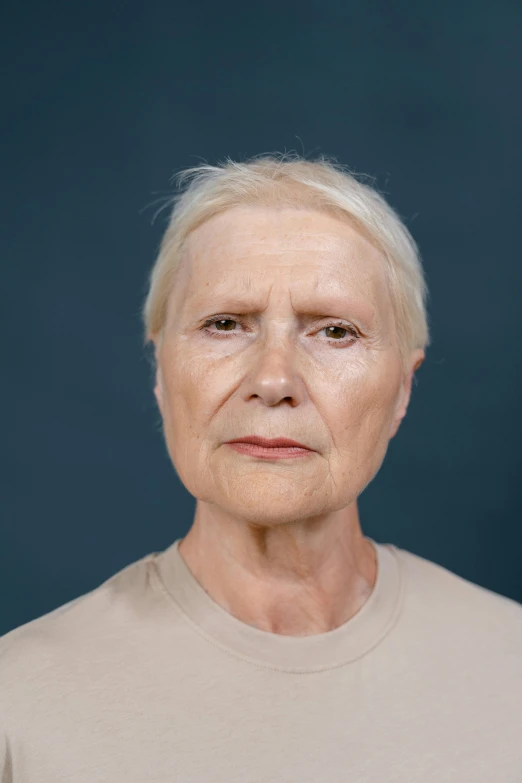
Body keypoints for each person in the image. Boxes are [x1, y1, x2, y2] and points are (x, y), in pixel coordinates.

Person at [1, 153, 521, 782]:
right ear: (161, 373)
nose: (274, 380)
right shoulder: (18, 705)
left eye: (334, 331)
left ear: (402, 391)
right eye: (224, 324)